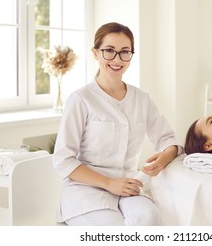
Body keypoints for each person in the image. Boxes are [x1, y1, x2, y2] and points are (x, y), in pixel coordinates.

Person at [53, 22, 181, 226]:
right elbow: (63, 160)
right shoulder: (81, 99)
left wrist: (164, 158)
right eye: (109, 51)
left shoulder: (141, 99)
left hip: (128, 187)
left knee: (150, 216)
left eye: (124, 52)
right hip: (87, 191)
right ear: (95, 53)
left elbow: (168, 139)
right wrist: (109, 183)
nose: (117, 59)